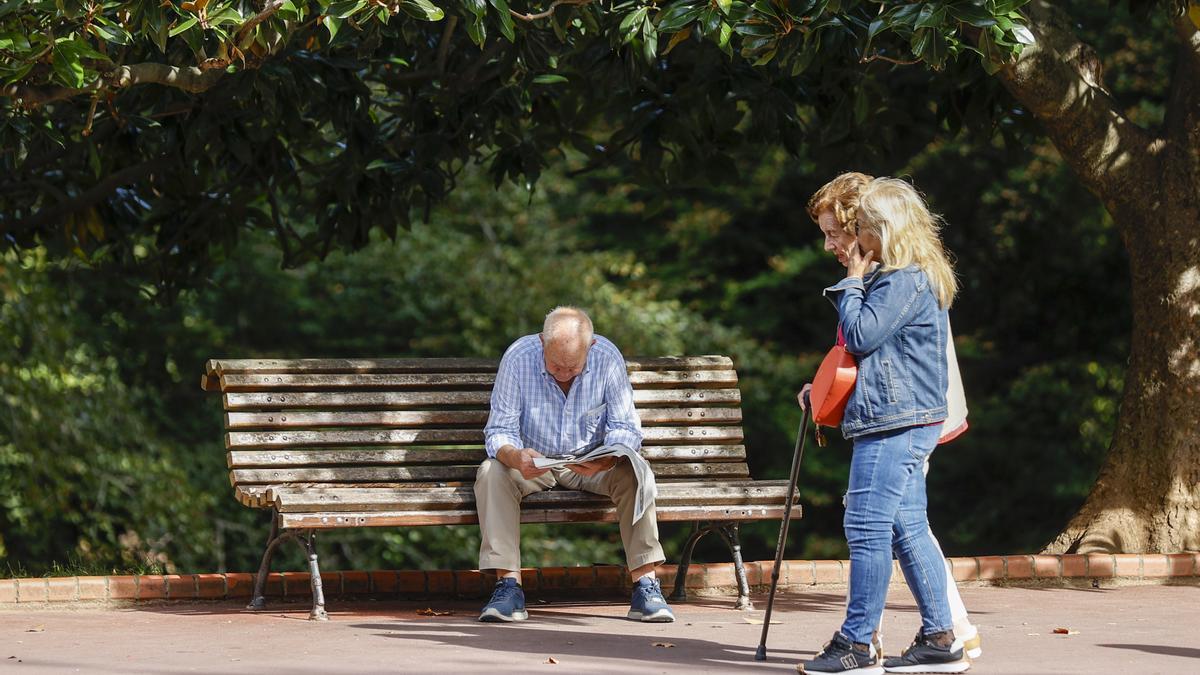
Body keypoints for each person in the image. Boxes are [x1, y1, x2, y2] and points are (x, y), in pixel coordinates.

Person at [802, 171, 982, 665]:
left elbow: (860, 336)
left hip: (894, 424)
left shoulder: (902, 279)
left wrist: (853, 282)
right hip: (903, 417)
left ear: (883, 231)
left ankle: (857, 642)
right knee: (907, 525)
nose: (850, 240)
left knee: (865, 526)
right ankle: (941, 638)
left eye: (858, 229)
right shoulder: (909, 277)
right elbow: (877, 356)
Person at [474, 306, 674, 624]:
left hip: (593, 463)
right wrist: (517, 457)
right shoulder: (517, 357)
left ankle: (646, 586)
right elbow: (499, 432)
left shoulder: (606, 357)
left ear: (590, 348)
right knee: (491, 472)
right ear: (542, 343)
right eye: (555, 365)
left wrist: (607, 457)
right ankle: (508, 587)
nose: (563, 373)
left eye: (573, 367)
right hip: (536, 465)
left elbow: (626, 428)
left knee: (637, 471)